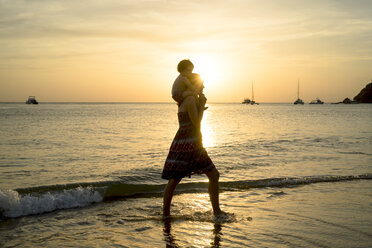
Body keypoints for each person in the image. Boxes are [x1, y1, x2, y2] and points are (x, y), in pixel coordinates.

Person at [162, 72, 223, 218]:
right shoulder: (190, 100)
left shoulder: (188, 99)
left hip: (188, 142)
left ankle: (166, 214)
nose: (204, 86)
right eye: (201, 83)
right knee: (211, 175)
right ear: (195, 83)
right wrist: (201, 105)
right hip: (190, 143)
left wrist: (200, 104)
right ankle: (217, 212)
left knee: (177, 179)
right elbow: (196, 123)